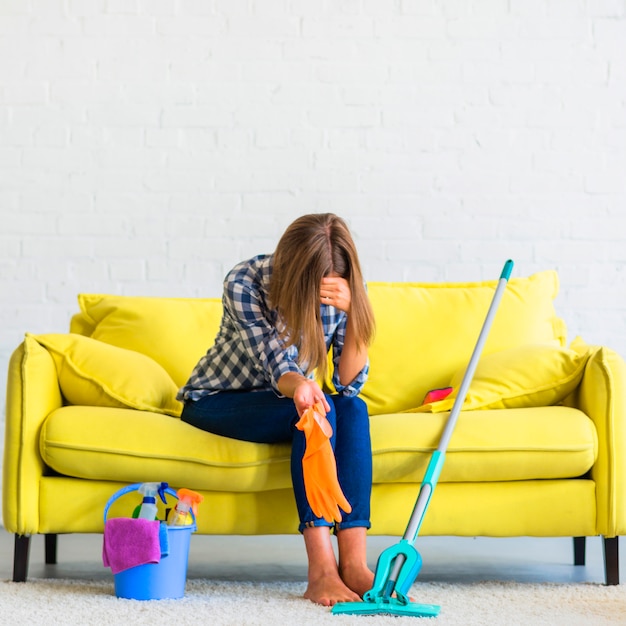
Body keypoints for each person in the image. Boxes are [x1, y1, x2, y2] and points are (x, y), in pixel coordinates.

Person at [177, 213, 376, 607]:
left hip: (287, 398)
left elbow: (349, 385)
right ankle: (321, 571)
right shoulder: (245, 282)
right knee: (317, 412)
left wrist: (355, 312)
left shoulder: (342, 288)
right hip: (218, 402)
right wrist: (303, 386)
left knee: (352, 410)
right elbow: (277, 365)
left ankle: (353, 564)